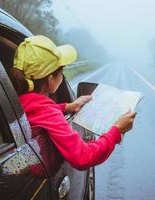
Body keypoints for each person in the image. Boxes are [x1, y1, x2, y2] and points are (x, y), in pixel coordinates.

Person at [10, 35, 136, 170]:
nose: (62, 76)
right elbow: (83, 157)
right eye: (61, 72)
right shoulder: (47, 111)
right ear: (50, 79)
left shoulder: (15, 101)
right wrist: (117, 130)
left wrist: (68, 107)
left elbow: (37, 111)